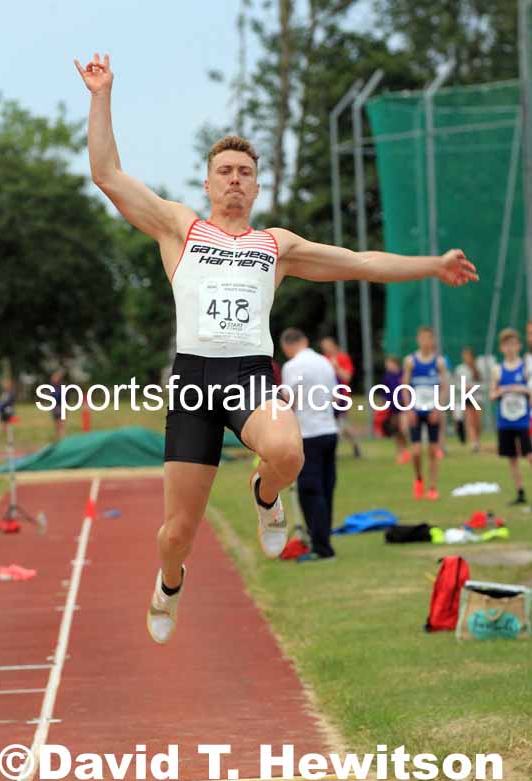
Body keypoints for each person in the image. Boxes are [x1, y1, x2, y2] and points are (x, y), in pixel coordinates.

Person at [75, 53, 478, 645]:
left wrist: (432, 265)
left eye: (244, 171)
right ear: (208, 181)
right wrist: (102, 94)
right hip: (192, 381)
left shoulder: (276, 245)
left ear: (257, 185)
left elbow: (362, 263)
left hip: (248, 373)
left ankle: (266, 494)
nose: (234, 179)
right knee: (174, 534)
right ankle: (169, 583)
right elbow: (107, 173)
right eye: (225, 171)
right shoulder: (178, 227)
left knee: (289, 452)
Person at [280, 328, 338, 562]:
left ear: (287, 346)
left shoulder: (292, 366)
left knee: (309, 490)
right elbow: (335, 396)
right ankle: (324, 540)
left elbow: (288, 399)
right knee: (326, 488)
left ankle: (321, 546)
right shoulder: (325, 362)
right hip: (329, 429)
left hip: (308, 433)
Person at [402, 327, 448, 500]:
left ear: (433, 340)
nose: (426, 342)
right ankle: (419, 478)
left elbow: (444, 388)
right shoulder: (410, 361)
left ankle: (433, 486)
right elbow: (405, 387)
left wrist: (438, 407)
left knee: (433, 449)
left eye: (429, 338)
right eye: (423, 338)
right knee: (416, 451)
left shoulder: (439, 362)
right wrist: (408, 409)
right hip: (416, 410)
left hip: (432, 410)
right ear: (418, 340)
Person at [490, 328, 532, 505]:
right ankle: (520, 492)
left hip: (523, 420)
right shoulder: (498, 370)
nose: (510, 348)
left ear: (519, 346)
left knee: (529, 456)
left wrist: (520, 389)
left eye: (513, 344)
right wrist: (503, 390)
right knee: (512, 459)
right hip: (505, 421)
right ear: (501, 348)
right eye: (506, 345)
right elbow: (492, 395)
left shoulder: (525, 368)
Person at [319, 336, 361, 457]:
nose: (325, 348)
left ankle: (334, 450)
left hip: (341, 396)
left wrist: (336, 367)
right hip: (327, 397)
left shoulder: (342, 358)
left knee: (340, 424)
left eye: (327, 345)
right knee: (335, 424)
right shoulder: (323, 359)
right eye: (323, 346)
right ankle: (353, 445)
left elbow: (347, 377)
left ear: (333, 345)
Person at [381, 355, 410, 464]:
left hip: (403, 406)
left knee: (403, 429)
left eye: (389, 364)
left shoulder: (403, 374)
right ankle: (400, 452)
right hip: (393, 408)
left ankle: (405, 450)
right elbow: (385, 394)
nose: (388, 366)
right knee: (396, 431)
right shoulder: (387, 377)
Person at [454, 346, 483, 452]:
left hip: (477, 397)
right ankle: (474, 443)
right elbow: (457, 383)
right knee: (470, 420)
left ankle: (477, 440)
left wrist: (473, 386)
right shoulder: (460, 369)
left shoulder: (477, 368)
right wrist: (463, 387)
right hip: (467, 397)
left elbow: (482, 383)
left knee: (477, 421)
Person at [50, 370, 66, 441]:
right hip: (54, 408)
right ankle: (58, 440)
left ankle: (61, 440)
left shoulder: (61, 388)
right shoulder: (52, 388)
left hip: (60, 407)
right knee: (56, 426)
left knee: (61, 425)